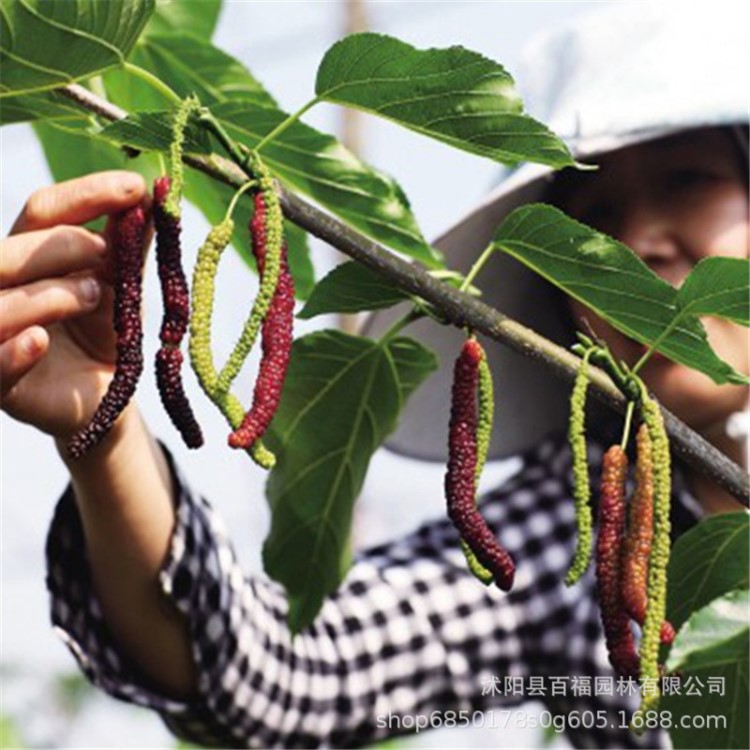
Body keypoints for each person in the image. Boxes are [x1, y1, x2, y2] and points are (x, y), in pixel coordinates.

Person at [1, 5, 747, 749]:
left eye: (687, 178)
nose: (638, 243)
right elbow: (290, 673)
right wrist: (104, 423)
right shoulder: (580, 536)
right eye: (591, 225)